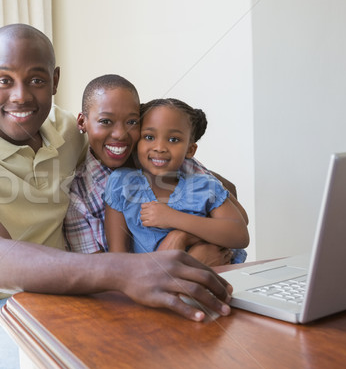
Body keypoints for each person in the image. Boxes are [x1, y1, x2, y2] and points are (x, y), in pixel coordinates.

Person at [0, 24, 234, 369]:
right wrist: (127, 270)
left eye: (36, 80)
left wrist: (186, 237)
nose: (20, 96)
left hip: (67, 299)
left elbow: (208, 185)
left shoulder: (71, 130)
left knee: (191, 344)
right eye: (4, 80)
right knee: (93, 363)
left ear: (54, 81)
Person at [64, 75, 247, 266]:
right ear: (82, 122)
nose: (120, 134)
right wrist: (192, 262)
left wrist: (182, 235)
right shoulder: (81, 196)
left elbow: (237, 225)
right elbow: (106, 271)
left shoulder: (169, 161)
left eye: (132, 122)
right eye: (105, 121)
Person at [104, 98, 249, 262]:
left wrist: (174, 222)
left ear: (190, 149)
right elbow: (118, 260)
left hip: (218, 279)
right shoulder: (122, 184)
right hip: (152, 282)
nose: (159, 147)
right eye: (149, 137)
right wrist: (189, 262)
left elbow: (240, 235)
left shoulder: (203, 185)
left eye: (173, 140)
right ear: (137, 141)